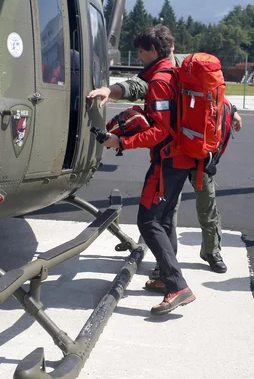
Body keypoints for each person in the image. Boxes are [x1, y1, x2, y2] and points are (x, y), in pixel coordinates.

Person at [87, 46, 242, 275]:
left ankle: (211, 250)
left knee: (206, 202)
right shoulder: (160, 70)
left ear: (168, 47)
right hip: (178, 150)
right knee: (170, 210)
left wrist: (233, 109)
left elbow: (210, 94)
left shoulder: (190, 65)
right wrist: (111, 89)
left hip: (198, 147)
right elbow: (137, 85)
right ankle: (166, 264)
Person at [99, 25, 196, 315]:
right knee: (164, 219)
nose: (139, 57)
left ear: (153, 50)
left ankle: (177, 286)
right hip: (182, 158)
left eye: (141, 52)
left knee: (148, 220)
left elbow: (159, 131)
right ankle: (163, 278)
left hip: (168, 160)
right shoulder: (174, 72)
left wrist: (121, 141)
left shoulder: (160, 82)